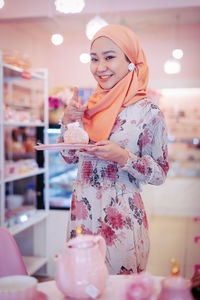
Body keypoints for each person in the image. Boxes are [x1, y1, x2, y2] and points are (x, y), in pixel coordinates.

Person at [59, 24, 169, 275]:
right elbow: (68, 157)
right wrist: (67, 123)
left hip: (121, 223)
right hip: (82, 217)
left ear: (131, 61)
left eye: (109, 57)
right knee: (81, 285)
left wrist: (124, 158)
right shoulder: (88, 107)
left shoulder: (149, 113)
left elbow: (160, 173)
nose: (100, 67)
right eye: (94, 59)